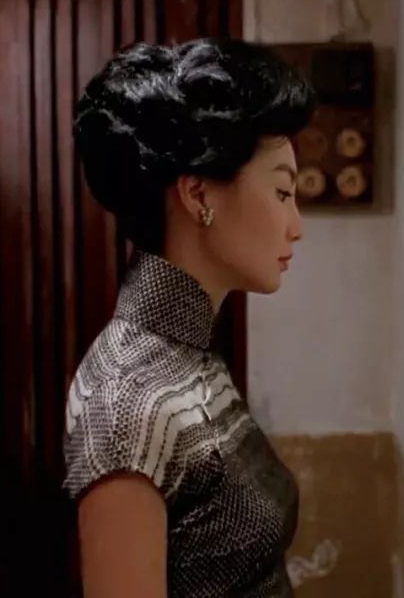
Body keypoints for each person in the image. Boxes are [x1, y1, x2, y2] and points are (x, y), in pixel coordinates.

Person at [62, 38, 314, 597]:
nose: (296, 226)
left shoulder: (186, 354)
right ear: (199, 194)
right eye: (282, 192)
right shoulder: (128, 401)